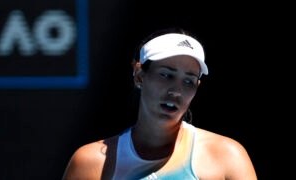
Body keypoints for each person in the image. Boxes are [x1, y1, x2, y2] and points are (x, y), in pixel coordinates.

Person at [62, 27, 257, 180]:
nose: (176, 91)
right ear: (139, 76)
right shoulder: (90, 163)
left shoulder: (228, 156)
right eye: (166, 75)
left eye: (188, 81)